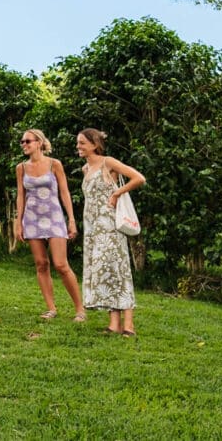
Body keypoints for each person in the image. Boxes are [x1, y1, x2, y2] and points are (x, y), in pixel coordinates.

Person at [76, 128, 146, 336]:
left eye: (82, 143)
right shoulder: (85, 169)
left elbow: (138, 178)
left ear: (94, 145)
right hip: (93, 229)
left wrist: (117, 192)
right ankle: (114, 323)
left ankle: (129, 325)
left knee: (118, 269)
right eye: (78, 143)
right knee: (105, 272)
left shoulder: (108, 162)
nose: (78, 147)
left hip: (110, 227)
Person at [15, 129, 86, 321]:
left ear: (39, 142)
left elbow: (64, 193)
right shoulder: (21, 167)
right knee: (41, 264)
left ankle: (80, 309)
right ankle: (51, 308)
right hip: (32, 219)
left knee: (61, 264)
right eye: (22, 142)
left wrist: (71, 220)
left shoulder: (55, 164)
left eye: (27, 141)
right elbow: (20, 196)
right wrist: (18, 223)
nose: (24, 144)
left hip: (54, 217)